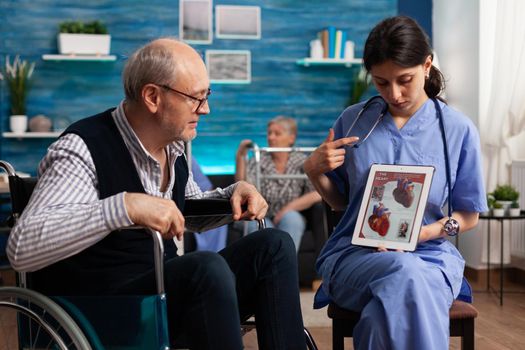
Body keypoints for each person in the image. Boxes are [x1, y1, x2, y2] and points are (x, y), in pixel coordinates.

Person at [7, 38, 306, 350]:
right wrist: (124, 206)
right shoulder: (81, 148)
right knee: (205, 267)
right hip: (101, 312)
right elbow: (22, 247)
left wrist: (235, 193)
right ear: (152, 96)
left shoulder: (174, 148)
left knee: (274, 244)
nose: (206, 109)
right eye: (196, 98)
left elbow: (187, 209)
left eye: (207, 96)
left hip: (161, 299)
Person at [304, 16, 488, 349]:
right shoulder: (353, 120)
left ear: (427, 65)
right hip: (358, 256)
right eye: (381, 82)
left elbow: (468, 216)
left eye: (405, 80)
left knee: (382, 313)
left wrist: (426, 233)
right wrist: (314, 171)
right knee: (405, 273)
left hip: (431, 257)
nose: (395, 93)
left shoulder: (458, 131)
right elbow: (341, 203)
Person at [235, 116, 321, 251]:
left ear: (291, 138)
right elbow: (243, 188)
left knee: (292, 218)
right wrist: (240, 157)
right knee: (259, 226)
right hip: (260, 214)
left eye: (277, 133)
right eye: (269, 133)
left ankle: (286, 267)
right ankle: (264, 269)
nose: (271, 137)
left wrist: (287, 209)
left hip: (288, 213)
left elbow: (317, 193)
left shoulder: (301, 161)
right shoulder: (259, 159)